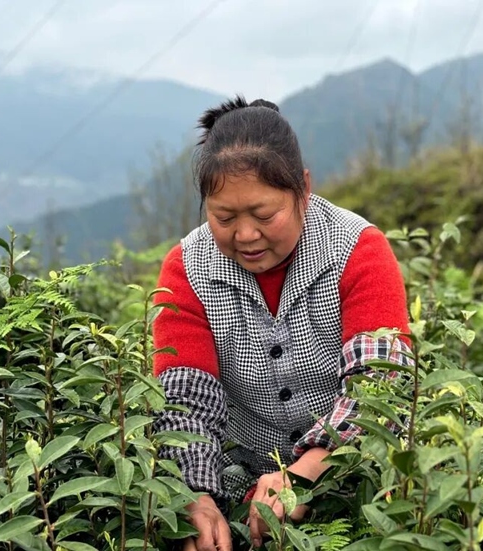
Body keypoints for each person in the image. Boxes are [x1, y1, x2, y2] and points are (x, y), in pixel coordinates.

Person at [151, 95, 411, 551]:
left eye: (265, 215)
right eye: (224, 217)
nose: (245, 235)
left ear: (303, 190)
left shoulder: (357, 250)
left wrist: (307, 470)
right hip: (238, 478)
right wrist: (194, 496)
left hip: (352, 477)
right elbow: (184, 400)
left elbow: (382, 385)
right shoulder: (187, 269)